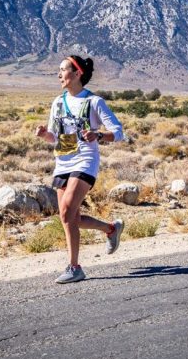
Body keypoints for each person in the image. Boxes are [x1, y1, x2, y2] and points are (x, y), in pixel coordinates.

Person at [35, 55, 125, 284]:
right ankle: (111, 229)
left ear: (77, 74)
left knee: (66, 212)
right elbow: (55, 136)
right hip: (63, 160)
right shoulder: (57, 102)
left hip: (85, 160)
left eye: (63, 70)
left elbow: (118, 131)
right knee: (70, 216)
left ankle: (75, 267)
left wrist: (98, 135)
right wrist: (45, 135)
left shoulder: (95, 102)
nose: (58, 75)